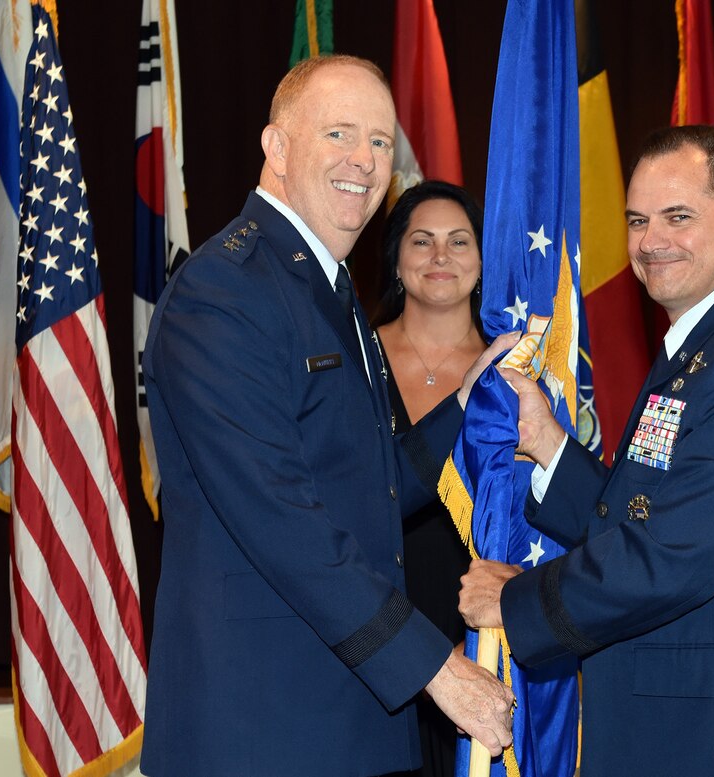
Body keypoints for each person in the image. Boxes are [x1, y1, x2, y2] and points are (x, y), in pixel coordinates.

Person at [141, 55, 515, 777]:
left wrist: (465, 404)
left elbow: (371, 487)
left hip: (347, 725)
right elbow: (283, 518)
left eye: (380, 141)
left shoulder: (330, 288)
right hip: (261, 733)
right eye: (339, 133)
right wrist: (437, 667)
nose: (364, 161)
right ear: (276, 148)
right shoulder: (223, 293)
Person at [459, 125, 714, 776]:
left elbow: (674, 555)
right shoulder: (708, 345)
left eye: (678, 217)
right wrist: (548, 444)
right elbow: (650, 514)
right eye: (638, 220)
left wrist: (516, 601)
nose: (651, 242)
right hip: (689, 732)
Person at [372, 181, 488, 777]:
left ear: (482, 258)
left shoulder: (514, 371)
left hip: (479, 631)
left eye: (459, 241)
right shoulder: (352, 356)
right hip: (370, 627)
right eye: (422, 241)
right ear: (396, 259)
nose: (441, 257)